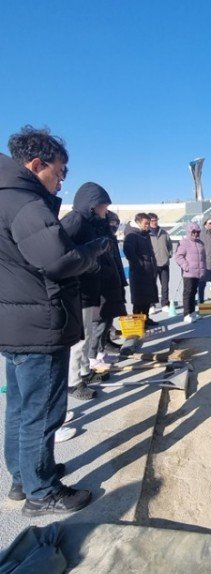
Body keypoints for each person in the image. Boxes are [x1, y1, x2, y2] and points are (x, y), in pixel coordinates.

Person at [0, 126, 109, 515]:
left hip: (14, 320)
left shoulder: (7, 197)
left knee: (20, 408)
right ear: (36, 164)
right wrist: (93, 251)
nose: (62, 179)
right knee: (41, 412)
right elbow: (58, 261)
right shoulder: (25, 202)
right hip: (38, 322)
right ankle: (41, 491)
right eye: (59, 171)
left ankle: (23, 476)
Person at [61, 182, 113, 398]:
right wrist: (90, 263)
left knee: (88, 333)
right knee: (79, 338)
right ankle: (73, 382)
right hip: (78, 288)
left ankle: (84, 372)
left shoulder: (91, 224)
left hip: (90, 287)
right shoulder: (74, 221)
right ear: (93, 205)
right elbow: (63, 252)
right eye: (104, 206)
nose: (106, 211)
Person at [89, 210, 128, 361]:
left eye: (117, 222)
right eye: (112, 222)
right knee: (98, 323)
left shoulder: (111, 238)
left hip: (114, 282)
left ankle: (103, 348)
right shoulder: (98, 237)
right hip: (101, 286)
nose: (115, 225)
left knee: (108, 320)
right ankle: (94, 356)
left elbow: (116, 262)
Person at [123, 212, 159, 326]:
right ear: (138, 222)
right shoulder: (132, 234)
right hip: (139, 272)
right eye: (146, 223)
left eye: (149, 223)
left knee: (148, 297)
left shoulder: (145, 234)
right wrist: (140, 264)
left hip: (148, 270)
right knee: (139, 299)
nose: (148, 225)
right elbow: (128, 251)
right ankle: (137, 322)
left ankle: (146, 318)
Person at [175, 221, 207, 323]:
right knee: (188, 293)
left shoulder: (200, 243)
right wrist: (186, 266)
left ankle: (192, 312)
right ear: (189, 232)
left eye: (197, 232)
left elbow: (203, 258)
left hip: (198, 273)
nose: (196, 234)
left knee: (194, 292)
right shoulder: (184, 242)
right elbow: (178, 256)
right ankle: (186, 314)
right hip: (189, 273)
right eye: (193, 232)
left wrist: (203, 268)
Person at [148, 212, 173, 313]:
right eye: (152, 221)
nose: (154, 222)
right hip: (152, 265)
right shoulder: (146, 234)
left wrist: (169, 254)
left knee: (165, 285)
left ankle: (165, 304)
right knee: (152, 286)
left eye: (156, 220)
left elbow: (170, 245)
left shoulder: (164, 233)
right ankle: (151, 305)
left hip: (164, 263)